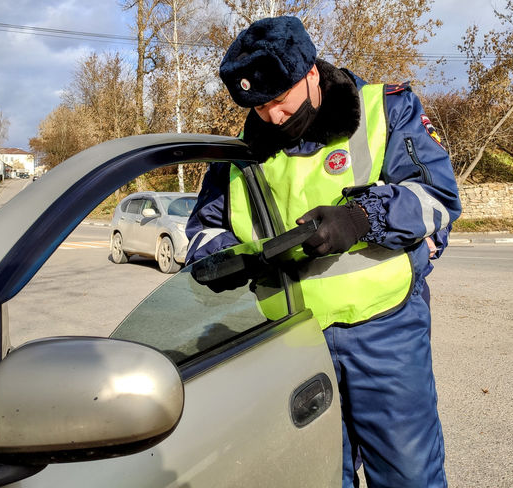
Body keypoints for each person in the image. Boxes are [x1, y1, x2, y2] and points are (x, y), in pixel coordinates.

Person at [185, 16, 461, 488]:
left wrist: (361, 219)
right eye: (259, 105)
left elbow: (437, 199)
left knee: (409, 476)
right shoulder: (237, 154)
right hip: (289, 341)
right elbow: (201, 235)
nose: (271, 116)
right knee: (318, 475)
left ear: (310, 73)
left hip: (385, 329)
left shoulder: (385, 108)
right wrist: (236, 258)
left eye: (280, 99)